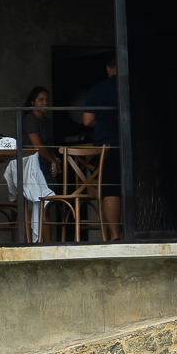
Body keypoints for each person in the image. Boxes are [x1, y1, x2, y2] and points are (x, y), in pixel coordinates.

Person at [70, 62, 121, 240]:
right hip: (133, 145)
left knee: (111, 190)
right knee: (136, 189)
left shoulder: (98, 89)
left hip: (108, 145)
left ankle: (114, 236)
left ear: (108, 68)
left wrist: (103, 121)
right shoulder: (131, 85)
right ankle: (137, 233)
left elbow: (87, 121)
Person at [4, 85, 54, 243]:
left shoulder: (47, 121)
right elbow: (37, 146)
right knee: (31, 205)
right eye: (41, 100)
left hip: (45, 165)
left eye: (46, 100)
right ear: (32, 102)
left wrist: (54, 161)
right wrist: (53, 160)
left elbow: (48, 146)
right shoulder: (30, 119)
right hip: (31, 166)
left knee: (46, 206)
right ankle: (30, 241)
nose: (44, 103)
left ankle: (47, 243)